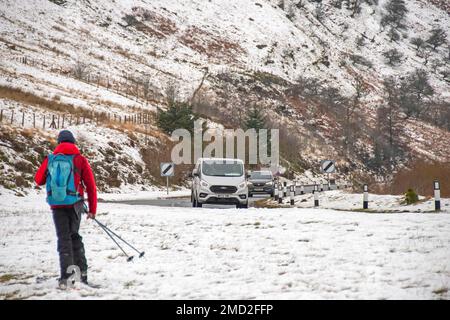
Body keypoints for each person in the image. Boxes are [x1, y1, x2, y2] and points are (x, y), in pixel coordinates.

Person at [35, 130, 97, 289]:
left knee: (63, 239)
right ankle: (82, 274)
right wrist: (92, 209)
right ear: (73, 142)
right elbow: (91, 186)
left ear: (59, 142)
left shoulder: (50, 159)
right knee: (74, 236)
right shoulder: (80, 159)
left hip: (57, 204)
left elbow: (38, 180)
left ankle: (66, 277)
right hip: (75, 203)